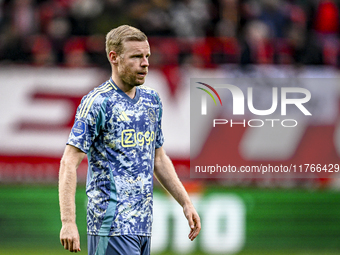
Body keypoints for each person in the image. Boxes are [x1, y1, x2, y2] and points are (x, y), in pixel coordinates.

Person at [58, 25, 201, 254]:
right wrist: (68, 222)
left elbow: (158, 159)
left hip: (143, 226)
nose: (145, 63)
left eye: (147, 56)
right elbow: (69, 162)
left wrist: (185, 202)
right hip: (111, 225)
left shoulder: (152, 100)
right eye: (136, 56)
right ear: (113, 57)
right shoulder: (97, 102)